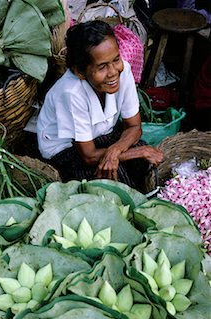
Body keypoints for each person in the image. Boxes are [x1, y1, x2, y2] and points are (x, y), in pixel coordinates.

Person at [36, 20, 163, 192]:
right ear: (79, 72)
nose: (112, 72)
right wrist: (133, 153)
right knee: (114, 175)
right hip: (66, 149)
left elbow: (134, 126)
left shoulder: (122, 70)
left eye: (116, 59)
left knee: (140, 156)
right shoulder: (71, 92)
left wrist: (115, 151)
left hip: (99, 135)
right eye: (102, 67)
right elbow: (88, 156)